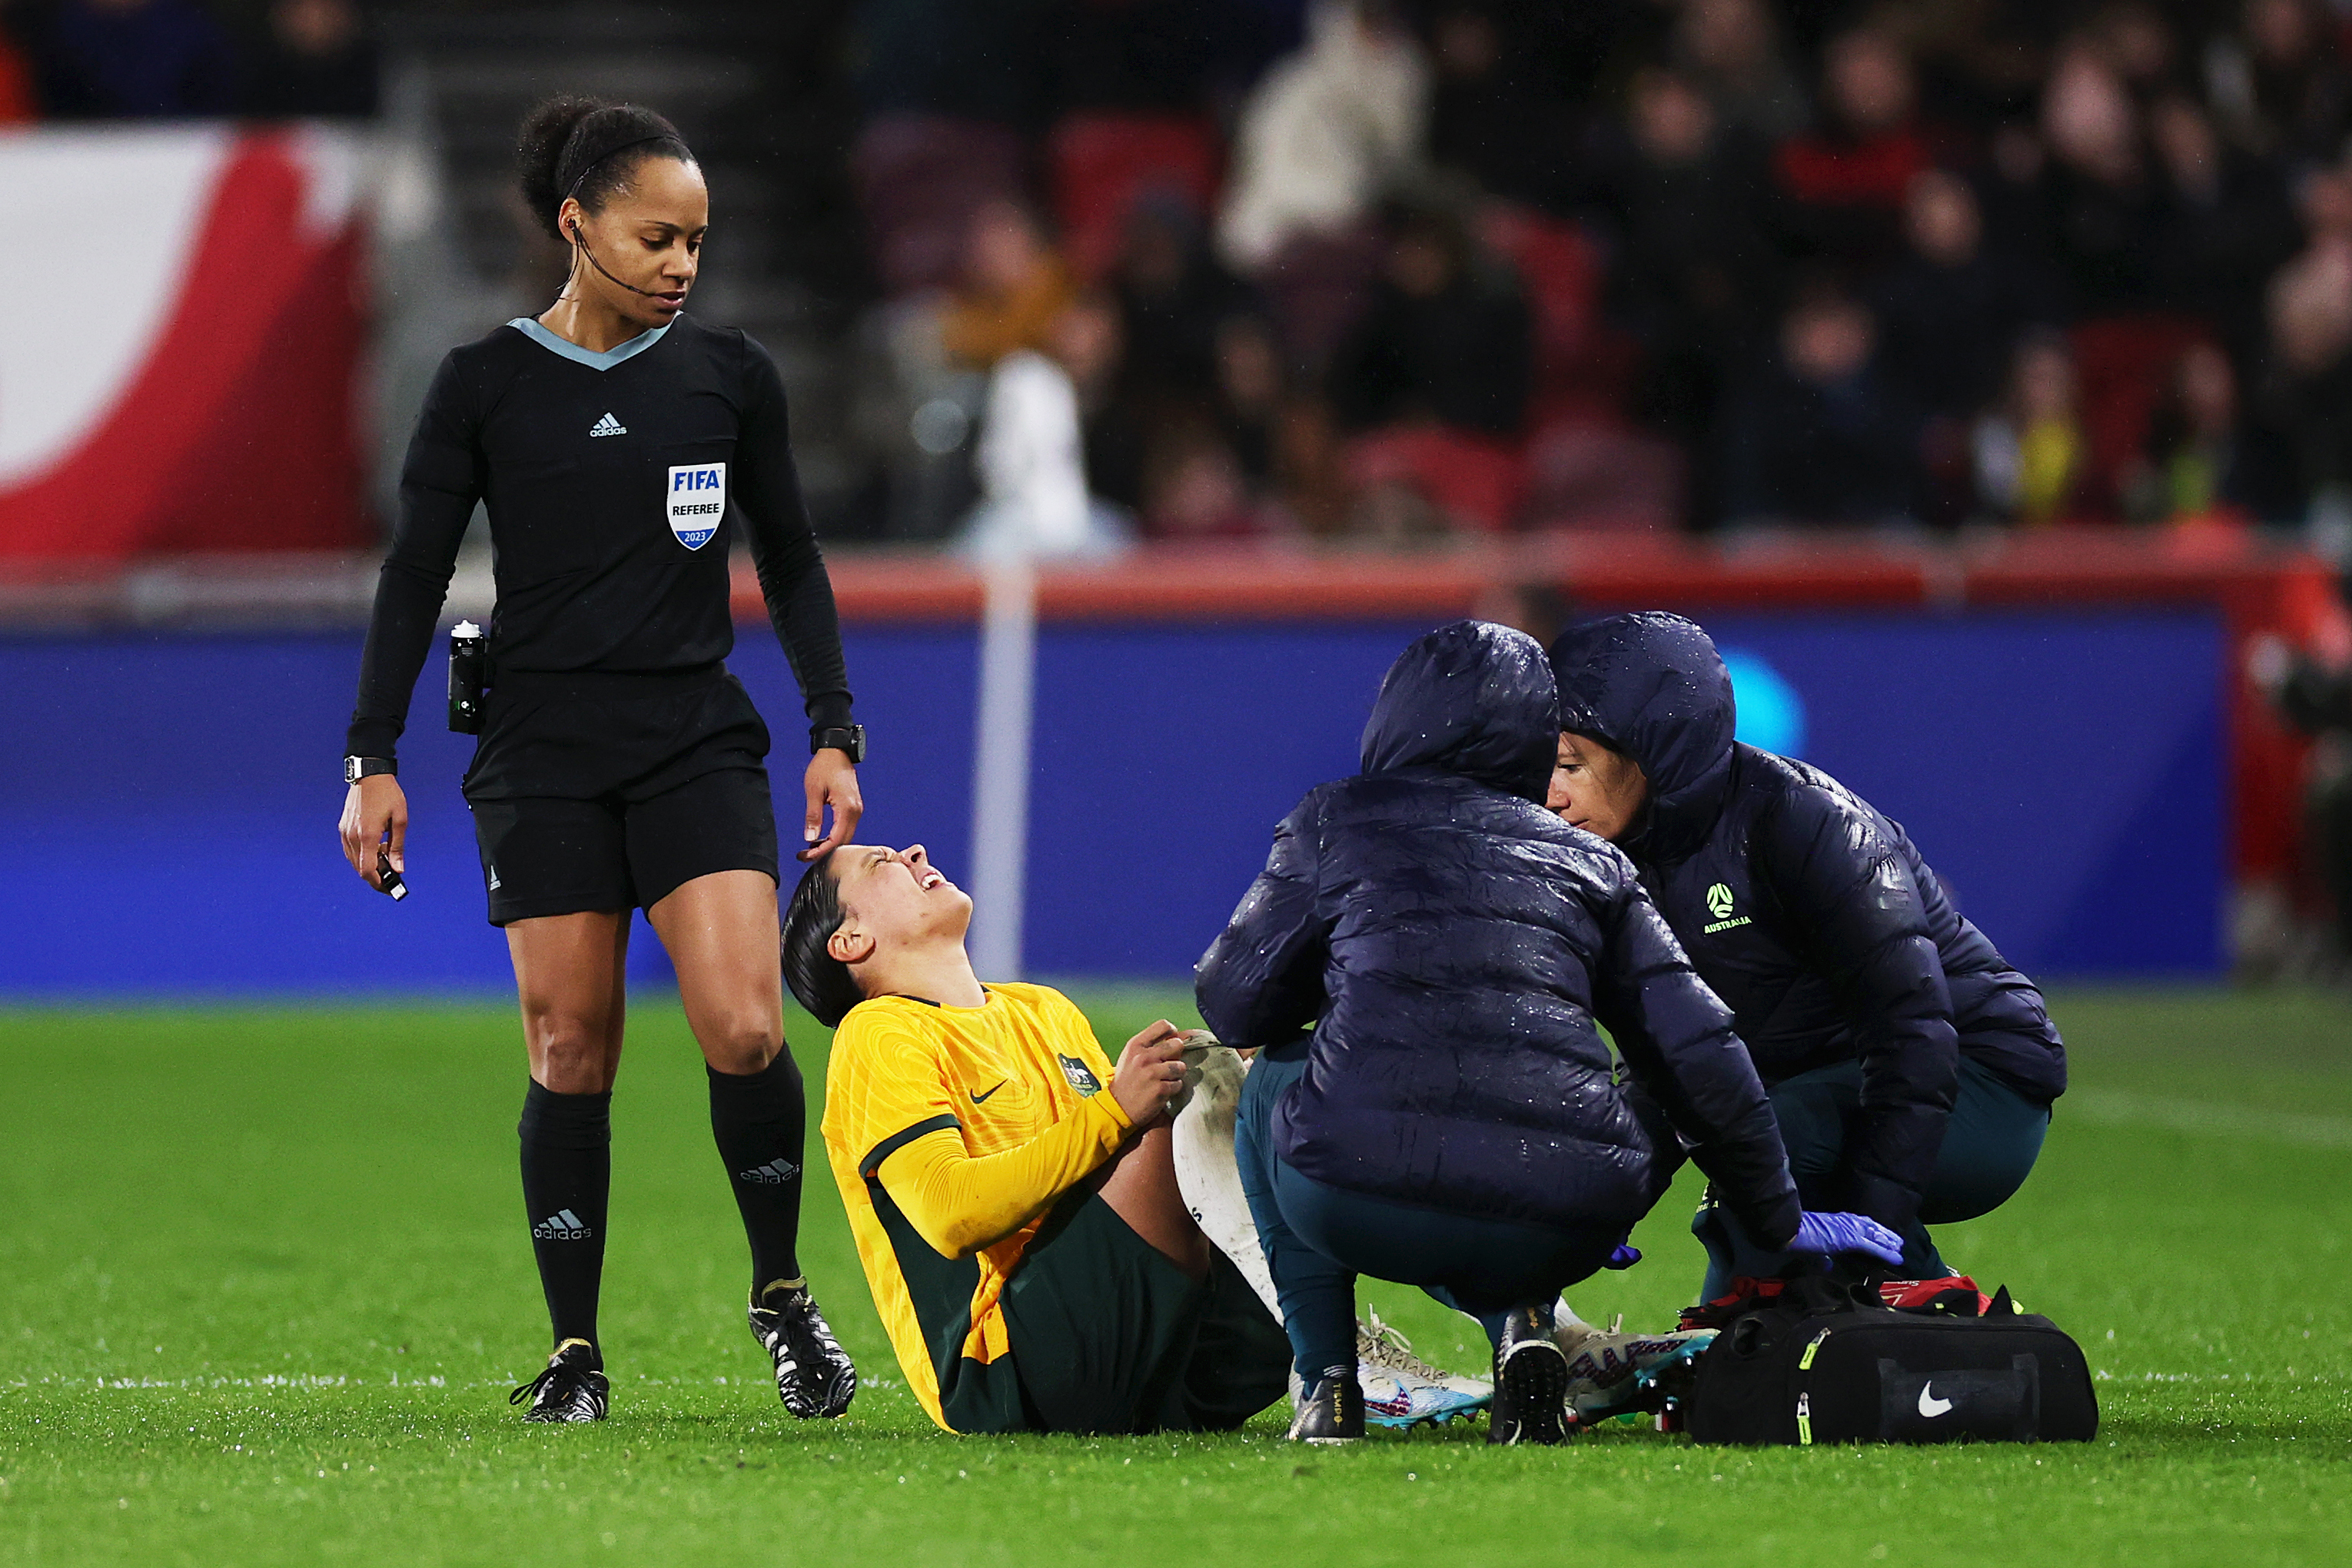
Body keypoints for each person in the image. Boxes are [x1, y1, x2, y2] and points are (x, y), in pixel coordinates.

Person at [337, 97, 865, 1423]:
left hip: (694, 743)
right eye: (657, 236)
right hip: (542, 752)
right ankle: (576, 1354)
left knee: (746, 1025)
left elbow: (792, 561)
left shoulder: (730, 378)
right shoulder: (483, 385)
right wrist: (371, 754)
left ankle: (781, 1297)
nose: (684, 264)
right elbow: (411, 576)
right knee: (571, 1048)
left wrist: (834, 728)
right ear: (577, 225)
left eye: (697, 240)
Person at [1197, 620, 1902, 1446]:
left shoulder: (1335, 820)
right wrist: (1778, 1216)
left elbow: (1233, 1002)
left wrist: (1337, 997)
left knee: (1270, 1073)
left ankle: (1330, 1387)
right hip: (1564, 1220)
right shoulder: (1596, 864)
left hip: (1358, 1194)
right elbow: (1702, 1051)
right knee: (1553, 1102)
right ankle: (1528, 1326)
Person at [1544, 611, 2068, 1301]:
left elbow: (1913, 1029)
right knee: (1747, 1244)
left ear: (1654, 749)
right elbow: (1673, 1063)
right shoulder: (1607, 868)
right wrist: (1605, 1201)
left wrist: (1871, 1233)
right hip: (1830, 1092)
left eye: (1570, 764)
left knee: (1767, 1159)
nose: (1550, 794)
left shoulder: (1806, 823)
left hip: (1982, 1083)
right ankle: (1796, 1323)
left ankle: (1923, 1295)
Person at [786, 842, 1296, 1435]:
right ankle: (1340, 1358)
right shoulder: (876, 1035)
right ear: (850, 941)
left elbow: (1116, 1162)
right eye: (881, 863)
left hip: (1147, 1352)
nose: (914, 852)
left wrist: (1240, 1087)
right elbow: (951, 1214)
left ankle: (1343, 1358)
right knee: (1197, 1084)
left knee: (1284, 1078)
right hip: (1009, 1371)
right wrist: (1133, 1105)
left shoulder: (1042, 1008)